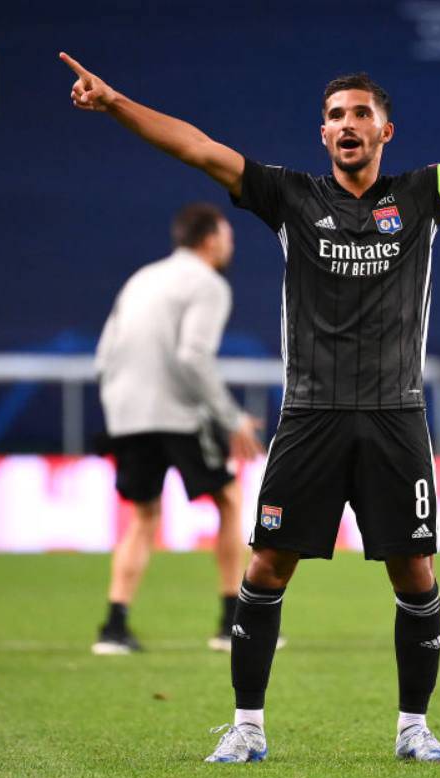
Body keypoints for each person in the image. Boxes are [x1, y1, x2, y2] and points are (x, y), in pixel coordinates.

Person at [60, 50, 440, 763]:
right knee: (266, 569)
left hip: (393, 416)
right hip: (309, 416)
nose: (349, 125)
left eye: (361, 115)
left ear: (386, 131)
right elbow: (195, 147)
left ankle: (414, 728)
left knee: (415, 573)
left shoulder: (424, 196)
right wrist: (117, 100)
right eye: (337, 116)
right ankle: (246, 725)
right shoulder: (288, 197)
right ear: (323, 134)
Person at [92, 203, 265, 655]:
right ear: (209, 240)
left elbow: (104, 353)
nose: (231, 244)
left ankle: (114, 627)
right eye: (227, 235)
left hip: (126, 413)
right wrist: (231, 418)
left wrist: (120, 409)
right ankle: (232, 623)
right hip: (176, 414)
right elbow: (192, 356)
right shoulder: (207, 283)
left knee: (143, 516)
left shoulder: (142, 278)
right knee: (228, 498)